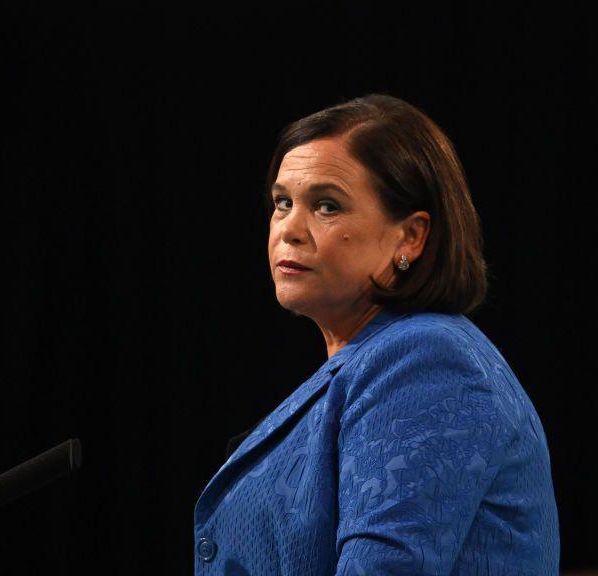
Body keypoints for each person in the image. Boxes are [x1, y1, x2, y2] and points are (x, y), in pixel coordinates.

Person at [193, 93, 559, 575]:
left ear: (410, 237)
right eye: (282, 203)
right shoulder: (368, 362)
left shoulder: (427, 360)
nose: (290, 229)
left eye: (326, 206)